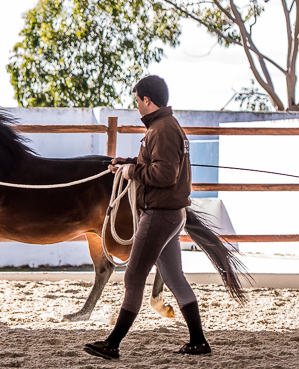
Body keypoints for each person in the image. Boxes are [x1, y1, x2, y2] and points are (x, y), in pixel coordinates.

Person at [83, 75, 210, 360]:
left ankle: (113, 344)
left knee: (133, 276)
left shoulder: (162, 130)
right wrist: (128, 164)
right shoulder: (165, 126)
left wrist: (132, 172)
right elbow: (157, 164)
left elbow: (164, 175)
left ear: (148, 100)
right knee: (175, 278)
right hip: (172, 213)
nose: (136, 105)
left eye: (137, 99)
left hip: (160, 213)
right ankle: (198, 341)